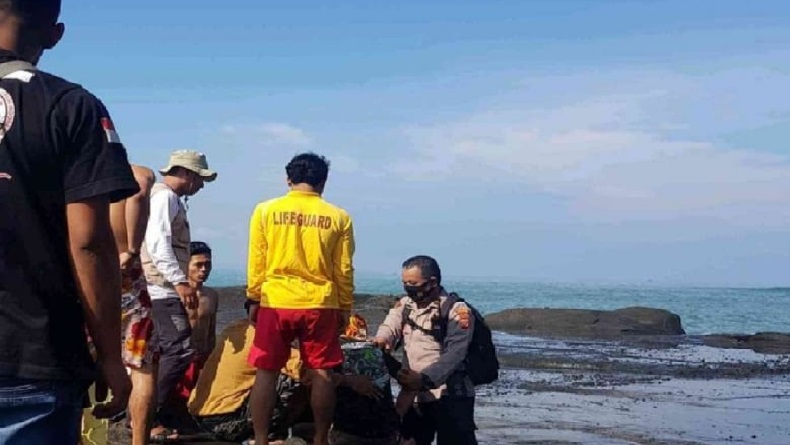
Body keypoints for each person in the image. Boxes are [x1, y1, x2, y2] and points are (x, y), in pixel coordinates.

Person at [0, 1, 138, 443]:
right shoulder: (71, 107)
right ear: (55, 34)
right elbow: (90, 243)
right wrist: (111, 356)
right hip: (33, 358)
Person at [246, 152, 356, 445]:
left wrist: (253, 297)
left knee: (266, 372)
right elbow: (343, 268)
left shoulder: (265, 211)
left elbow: (257, 259)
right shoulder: (339, 217)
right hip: (320, 302)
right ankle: (321, 438)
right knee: (321, 371)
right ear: (323, 181)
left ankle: (260, 439)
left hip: (276, 299)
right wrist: (345, 305)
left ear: (288, 179)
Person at [189, 311, 393, 445]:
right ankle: (279, 434)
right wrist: (351, 381)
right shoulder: (262, 340)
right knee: (301, 377)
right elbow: (309, 373)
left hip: (199, 414)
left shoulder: (236, 328)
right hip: (225, 421)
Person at [141, 149, 216, 439]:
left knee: (161, 351)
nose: (200, 185)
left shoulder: (167, 199)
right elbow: (158, 243)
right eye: (199, 178)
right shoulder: (164, 198)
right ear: (185, 173)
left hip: (162, 285)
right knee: (179, 349)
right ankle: (148, 413)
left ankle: (162, 411)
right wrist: (180, 282)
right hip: (161, 287)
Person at [373, 256, 478, 445]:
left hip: (451, 395)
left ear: (432, 282)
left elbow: (455, 354)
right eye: (405, 283)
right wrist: (382, 340)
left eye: (413, 283)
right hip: (415, 395)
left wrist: (425, 378)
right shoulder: (405, 305)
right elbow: (390, 326)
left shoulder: (457, 311)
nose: (408, 288)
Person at [168, 241, 219, 419]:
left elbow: (211, 330)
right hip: (181, 358)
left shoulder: (212, 295)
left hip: (203, 357)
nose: (204, 269)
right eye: (198, 265)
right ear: (186, 266)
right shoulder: (175, 295)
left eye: (208, 264)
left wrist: (212, 360)